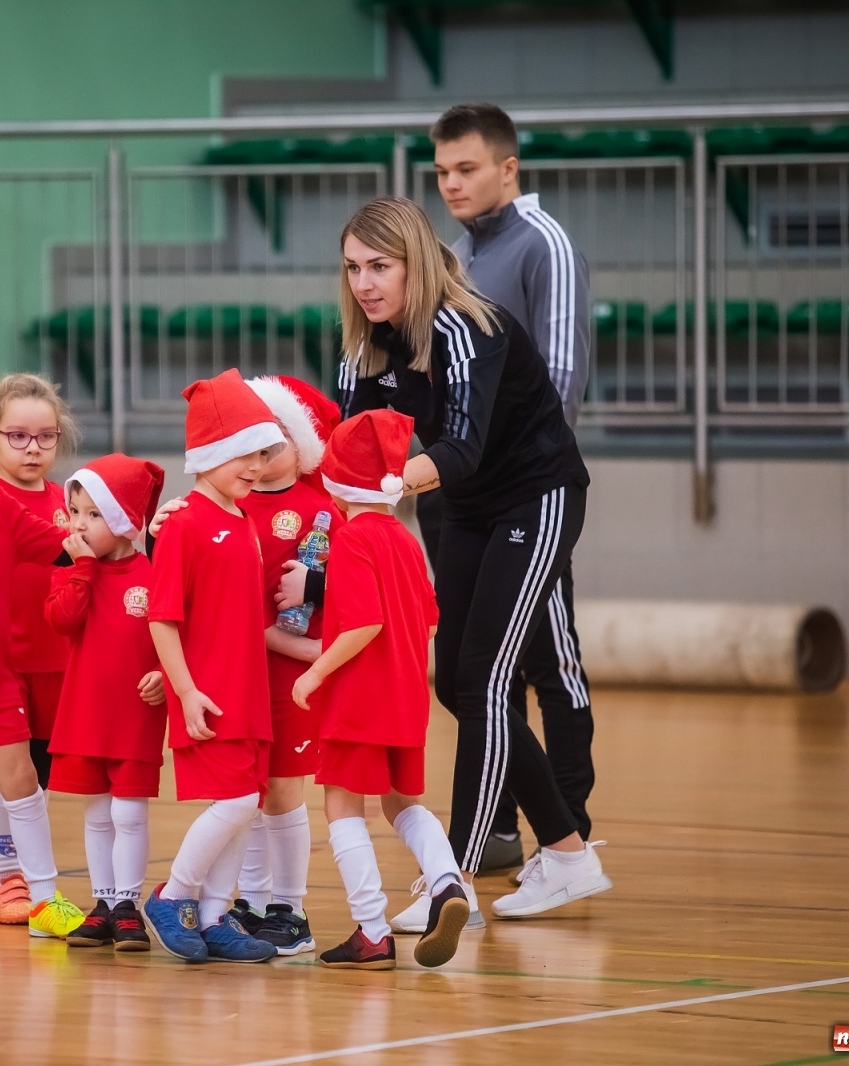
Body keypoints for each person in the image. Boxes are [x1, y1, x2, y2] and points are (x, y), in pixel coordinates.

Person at [336, 196, 611, 921]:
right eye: (354, 268)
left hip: (536, 496)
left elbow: (462, 447)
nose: (366, 283)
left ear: (415, 264)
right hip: (463, 510)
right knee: (456, 686)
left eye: (380, 267)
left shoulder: (467, 326)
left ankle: (447, 878)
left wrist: (391, 484)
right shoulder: (364, 347)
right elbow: (341, 453)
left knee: (485, 679)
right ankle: (567, 852)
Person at [425, 101, 597, 888]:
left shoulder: (545, 245)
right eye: (442, 172)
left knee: (546, 659)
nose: (452, 184)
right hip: (468, 495)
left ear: (507, 168)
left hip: (528, 490)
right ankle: (496, 826)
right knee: (472, 667)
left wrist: (517, 479)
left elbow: (560, 376)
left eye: (466, 169)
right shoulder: (457, 255)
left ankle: (569, 831)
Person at [292, 410, 472, 970]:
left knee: (343, 807)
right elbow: (431, 621)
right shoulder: (405, 540)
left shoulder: (351, 540)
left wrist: (316, 672)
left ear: (337, 481)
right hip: (405, 697)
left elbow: (363, 623)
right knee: (402, 804)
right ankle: (447, 883)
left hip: (358, 700)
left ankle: (371, 930)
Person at [142, 369, 283, 965]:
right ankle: (173, 896)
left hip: (247, 691)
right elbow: (162, 618)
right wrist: (186, 691)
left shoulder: (243, 521)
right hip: (210, 691)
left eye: (261, 455)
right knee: (231, 803)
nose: (254, 467)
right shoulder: (185, 525)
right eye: (241, 455)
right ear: (208, 456)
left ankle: (218, 914)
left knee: (247, 803)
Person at [228, 375, 343, 956]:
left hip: (293, 675)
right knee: (245, 789)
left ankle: (290, 911)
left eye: (274, 442)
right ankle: (249, 901)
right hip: (234, 673)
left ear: (303, 446)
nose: (260, 456)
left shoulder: (323, 511)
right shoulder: (226, 503)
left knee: (281, 791)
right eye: (250, 443)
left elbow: (350, 596)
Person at [44, 454, 167, 952]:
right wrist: (84, 569)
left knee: (129, 814)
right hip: (86, 710)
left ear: (121, 520)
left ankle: (126, 904)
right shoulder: (72, 572)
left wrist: (163, 672)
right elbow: (62, 620)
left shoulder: (154, 572)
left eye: (94, 514)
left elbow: (175, 635)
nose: (79, 523)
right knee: (97, 814)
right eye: (75, 511)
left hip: (136, 714)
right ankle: (101, 903)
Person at [0, 373, 79, 908]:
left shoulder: (69, 500)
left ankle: (33, 875)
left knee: (37, 772)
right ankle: (7, 879)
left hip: (56, 659)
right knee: (3, 773)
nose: (32, 448)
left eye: (45, 436)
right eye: (17, 436)